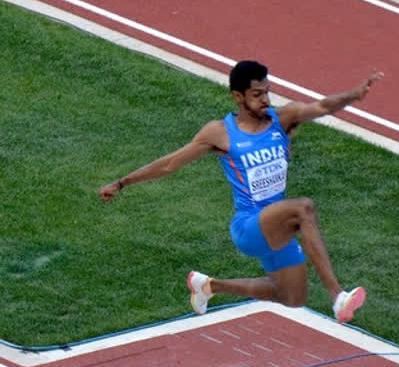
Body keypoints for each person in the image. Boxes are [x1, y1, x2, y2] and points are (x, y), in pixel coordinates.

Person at [99, 60, 383, 323]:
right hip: (248, 227)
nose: (266, 100)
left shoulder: (283, 119)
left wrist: (354, 94)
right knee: (303, 208)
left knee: (293, 297)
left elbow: (322, 107)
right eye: (257, 94)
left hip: (277, 226)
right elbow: (169, 164)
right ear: (238, 97)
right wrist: (122, 182)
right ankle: (337, 296)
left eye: (267, 92)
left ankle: (209, 286)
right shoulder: (219, 132)